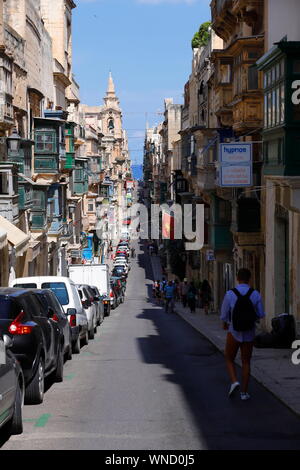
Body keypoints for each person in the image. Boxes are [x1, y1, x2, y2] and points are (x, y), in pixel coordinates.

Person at [221, 268, 265, 401]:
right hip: (249, 333)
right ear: (249, 279)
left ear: (237, 278)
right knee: (246, 361)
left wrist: (225, 324)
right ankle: (244, 393)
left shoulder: (230, 294)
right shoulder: (255, 294)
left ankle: (234, 381)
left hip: (234, 331)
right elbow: (261, 314)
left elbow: (224, 315)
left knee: (229, 358)